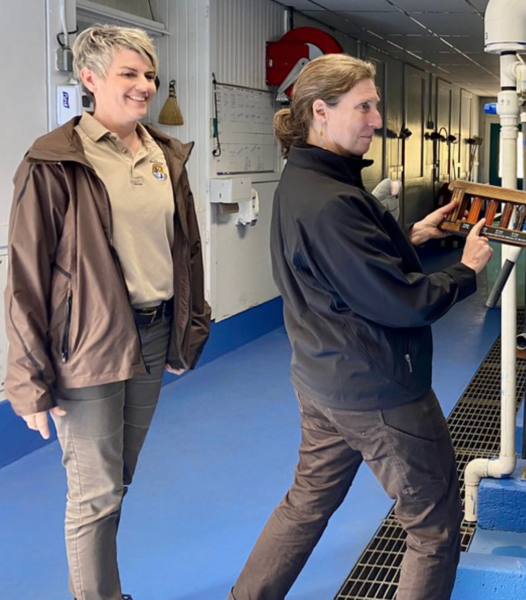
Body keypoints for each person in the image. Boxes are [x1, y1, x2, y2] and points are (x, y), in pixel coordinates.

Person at [229, 54, 492, 600]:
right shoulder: (332, 201)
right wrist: (465, 273)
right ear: (320, 112)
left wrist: (410, 237)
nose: (377, 120)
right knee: (434, 523)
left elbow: (343, 267)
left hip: (322, 378)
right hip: (376, 388)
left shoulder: (305, 180)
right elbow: (402, 302)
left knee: (307, 501)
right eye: (365, 106)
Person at [5, 25, 211, 600]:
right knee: (94, 493)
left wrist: (189, 330)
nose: (145, 85)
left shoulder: (164, 155)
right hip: (86, 346)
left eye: (149, 74)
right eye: (130, 74)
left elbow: (187, 248)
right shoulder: (52, 162)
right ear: (90, 79)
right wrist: (26, 381)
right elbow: (25, 278)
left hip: (151, 334)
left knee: (117, 480)